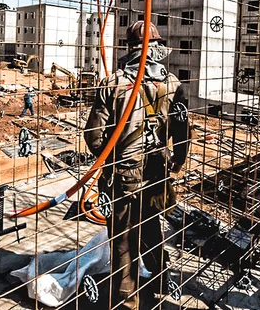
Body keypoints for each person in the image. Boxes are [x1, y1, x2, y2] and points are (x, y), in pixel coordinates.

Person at [84, 21, 190, 310]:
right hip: (157, 172)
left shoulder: (114, 84)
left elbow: (93, 135)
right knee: (152, 228)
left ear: (129, 48)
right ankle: (160, 281)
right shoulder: (173, 84)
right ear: (157, 47)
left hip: (124, 175)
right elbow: (181, 131)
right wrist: (177, 160)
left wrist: (109, 162)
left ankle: (127, 302)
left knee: (123, 240)